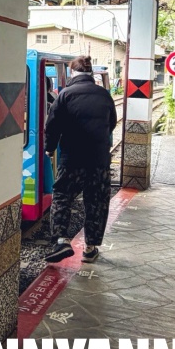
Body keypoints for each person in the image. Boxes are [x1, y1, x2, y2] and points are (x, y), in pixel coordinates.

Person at [44, 55, 118, 263]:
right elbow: (111, 123)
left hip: (72, 159)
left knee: (62, 196)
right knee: (96, 201)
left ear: (73, 73)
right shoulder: (104, 95)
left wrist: (49, 149)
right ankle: (90, 248)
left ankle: (61, 240)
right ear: (91, 74)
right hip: (98, 160)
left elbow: (52, 126)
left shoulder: (65, 94)